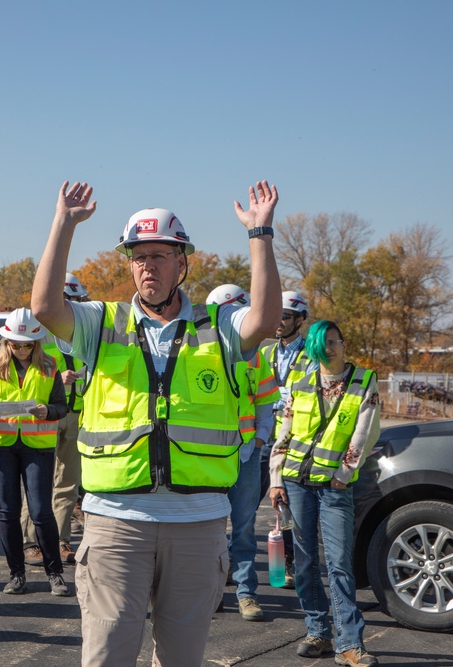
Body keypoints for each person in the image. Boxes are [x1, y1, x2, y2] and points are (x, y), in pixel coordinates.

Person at [31, 180, 281, 667]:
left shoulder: (218, 325)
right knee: (106, 657)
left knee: (181, 661)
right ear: (129, 264)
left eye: (161, 255)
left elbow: (266, 319)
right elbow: (44, 308)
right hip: (116, 522)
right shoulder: (101, 323)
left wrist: (261, 233)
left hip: (198, 521)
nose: (149, 265)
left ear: (182, 262)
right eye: (139, 256)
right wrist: (63, 223)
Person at [268, 320, 380, 667]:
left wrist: (345, 474)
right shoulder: (300, 381)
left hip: (334, 486)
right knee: (303, 562)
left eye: (335, 341)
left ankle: (350, 643)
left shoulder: (363, 380)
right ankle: (317, 631)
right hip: (296, 482)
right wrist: (275, 477)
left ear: (344, 344)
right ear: (314, 347)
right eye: (323, 343)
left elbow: (365, 430)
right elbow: (284, 431)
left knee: (340, 564)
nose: (330, 348)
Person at [0, 308, 72, 596]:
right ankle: (16, 574)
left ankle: (55, 574)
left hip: (37, 448)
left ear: (36, 343)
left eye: (27, 345)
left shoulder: (50, 366)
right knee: (8, 512)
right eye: (16, 344)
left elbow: (61, 406)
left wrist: (47, 411)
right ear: (7, 342)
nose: (21, 350)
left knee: (42, 511)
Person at [206, 285, 279, 622]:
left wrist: (260, 441)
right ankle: (213, 591)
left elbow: (266, 405)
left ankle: (246, 594)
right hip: (207, 458)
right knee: (209, 529)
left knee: (244, 528)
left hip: (247, 457)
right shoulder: (202, 356)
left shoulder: (257, 359)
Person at [21, 272, 88, 566]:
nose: (75, 307)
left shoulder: (86, 332)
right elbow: (20, 375)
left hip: (75, 414)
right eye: (72, 301)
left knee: (68, 483)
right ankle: (30, 542)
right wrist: (56, 381)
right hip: (44, 414)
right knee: (38, 482)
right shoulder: (34, 334)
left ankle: (60, 541)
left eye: (77, 301)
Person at [259, 290, 316, 587]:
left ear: (300, 320)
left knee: (288, 506)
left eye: (285, 316)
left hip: (293, 439)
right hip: (263, 435)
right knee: (243, 508)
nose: (278, 322)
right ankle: (232, 564)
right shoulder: (265, 351)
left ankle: (290, 565)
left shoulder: (312, 355)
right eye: (276, 315)